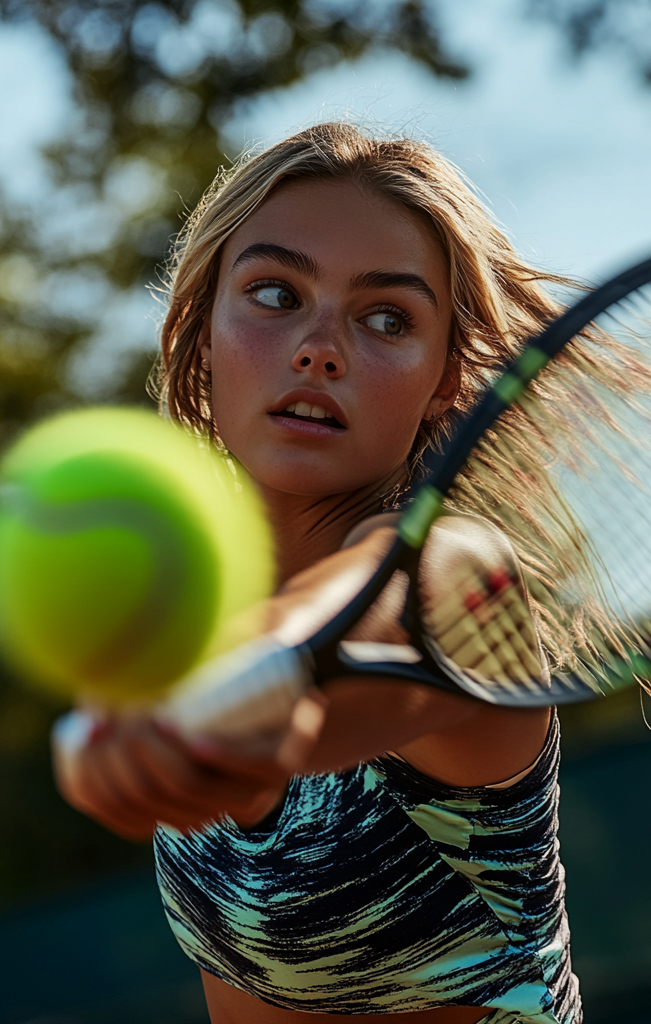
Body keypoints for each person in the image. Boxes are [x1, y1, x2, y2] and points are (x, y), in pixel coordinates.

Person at [56, 123, 593, 1024]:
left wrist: (262, 684)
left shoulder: (461, 580)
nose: (320, 347)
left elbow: (386, 596)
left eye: (387, 318)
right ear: (202, 331)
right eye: (274, 293)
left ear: (444, 378)